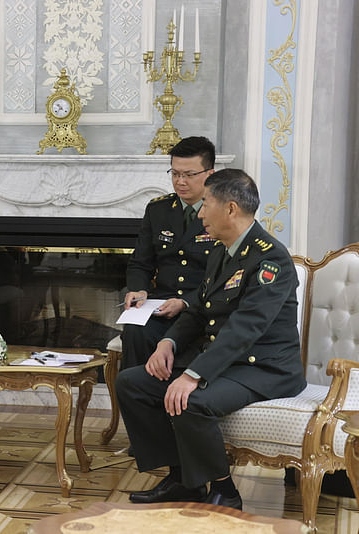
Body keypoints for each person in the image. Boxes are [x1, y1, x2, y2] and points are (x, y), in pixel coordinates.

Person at [116, 168, 306, 510]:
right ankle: (183, 479)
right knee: (133, 382)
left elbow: (245, 329)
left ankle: (225, 491)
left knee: (192, 401)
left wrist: (192, 375)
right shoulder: (222, 250)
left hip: (263, 368)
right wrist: (168, 343)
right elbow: (199, 311)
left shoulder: (270, 259)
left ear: (230, 209)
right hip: (227, 362)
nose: (200, 212)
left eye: (206, 204)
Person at [121, 136, 218, 369]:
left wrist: (185, 302)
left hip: (202, 308)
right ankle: (135, 399)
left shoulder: (222, 212)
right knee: (134, 330)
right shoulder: (159, 209)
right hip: (160, 305)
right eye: (175, 174)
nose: (180, 181)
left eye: (188, 174)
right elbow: (140, 263)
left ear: (210, 174)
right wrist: (139, 289)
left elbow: (224, 278)